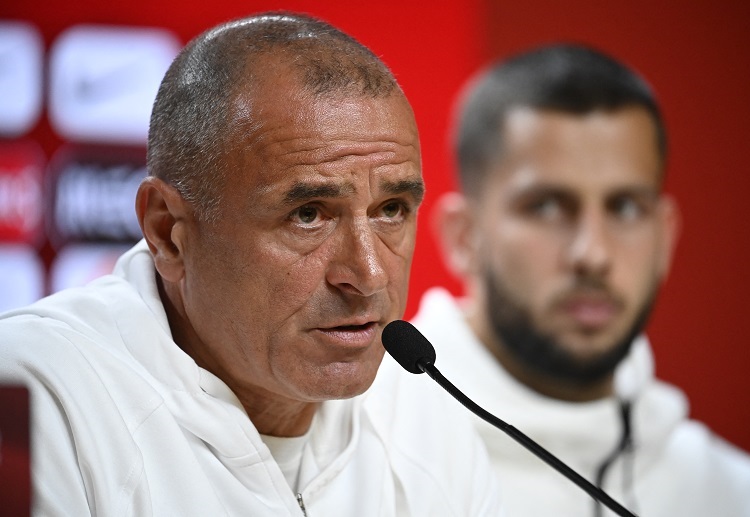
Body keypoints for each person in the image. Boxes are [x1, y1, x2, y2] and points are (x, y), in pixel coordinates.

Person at [0, 13, 503, 516]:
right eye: (308, 215)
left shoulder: (427, 420)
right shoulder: (41, 400)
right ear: (167, 234)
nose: (369, 274)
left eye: (391, 210)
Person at [412, 43, 750, 516]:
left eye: (626, 207)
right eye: (547, 207)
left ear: (666, 237)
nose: (593, 254)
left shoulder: (726, 491)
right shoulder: (363, 460)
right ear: (464, 239)